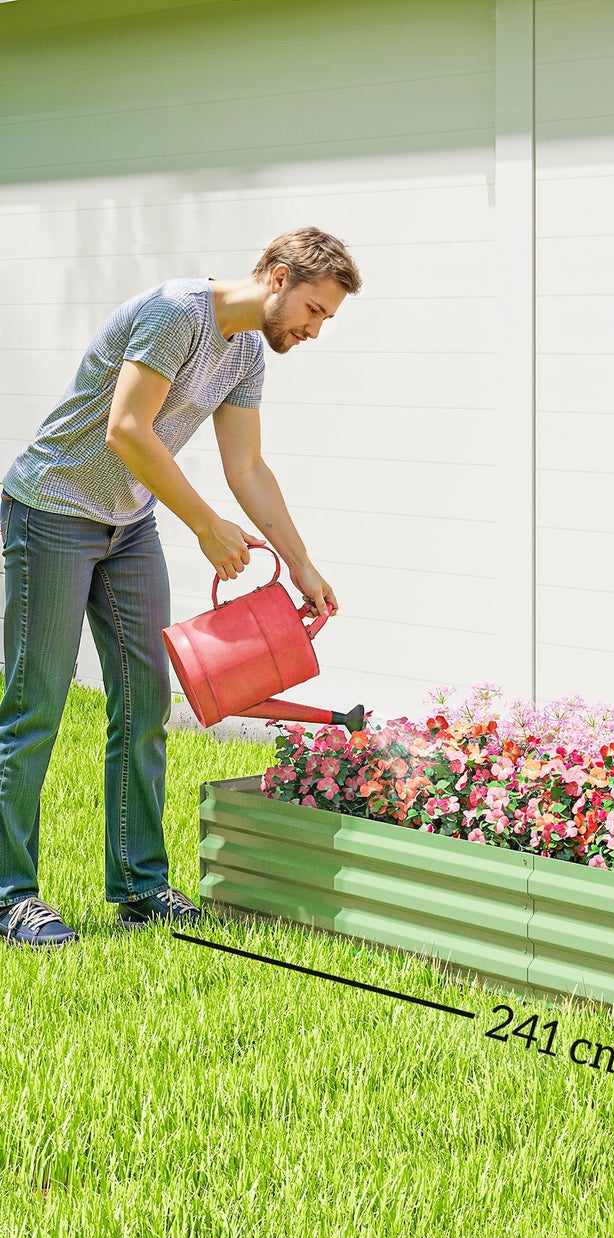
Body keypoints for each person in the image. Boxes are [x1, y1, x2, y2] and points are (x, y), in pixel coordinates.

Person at [0, 227, 361, 947]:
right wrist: (203, 526)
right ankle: (11, 896)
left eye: (324, 318)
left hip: (128, 524)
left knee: (144, 701)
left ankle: (138, 886)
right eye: (314, 310)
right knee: (35, 704)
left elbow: (247, 467)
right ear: (280, 276)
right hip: (53, 512)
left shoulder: (250, 351)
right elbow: (127, 430)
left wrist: (301, 562)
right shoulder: (177, 313)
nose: (315, 330)